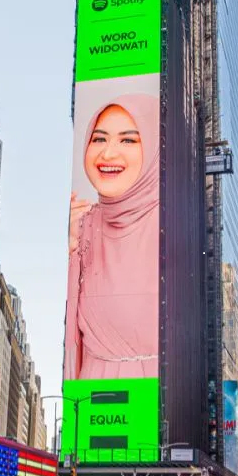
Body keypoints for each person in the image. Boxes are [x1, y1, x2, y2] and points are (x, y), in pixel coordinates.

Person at [64, 95, 159, 381]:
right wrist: (70, 248)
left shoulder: (173, 223)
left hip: (158, 400)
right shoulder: (82, 225)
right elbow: (71, 340)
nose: (108, 154)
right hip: (95, 403)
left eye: (128, 140)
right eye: (99, 139)